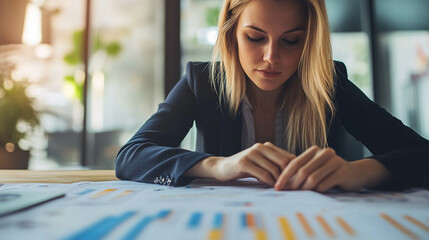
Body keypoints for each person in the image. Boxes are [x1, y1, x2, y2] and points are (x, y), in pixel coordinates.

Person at [116, 0, 429, 192]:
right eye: (255, 37)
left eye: (291, 41)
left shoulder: (328, 83)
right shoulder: (202, 82)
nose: (271, 57)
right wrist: (219, 166)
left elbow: (420, 155)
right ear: (231, 35)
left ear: (309, 43)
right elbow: (130, 157)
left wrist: (355, 172)